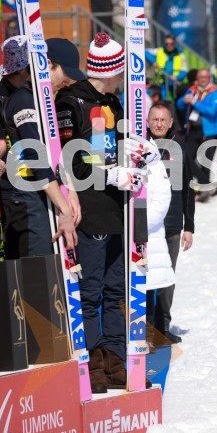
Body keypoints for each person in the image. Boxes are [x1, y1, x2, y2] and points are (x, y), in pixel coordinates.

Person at [56, 32, 145, 393]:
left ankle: (115, 360)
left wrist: (140, 155)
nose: (123, 78)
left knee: (115, 289)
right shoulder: (72, 100)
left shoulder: (114, 102)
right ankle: (91, 362)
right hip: (88, 207)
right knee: (90, 289)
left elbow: (120, 145)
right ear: (108, 70)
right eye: (120, 71)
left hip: (117, 207)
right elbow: (67, 159)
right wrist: (110, 173)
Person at [0, 36, 79, 258]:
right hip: (28, 196)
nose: (69, 81)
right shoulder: (25, 99)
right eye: (67, 72)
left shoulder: (47, 100)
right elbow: (37, 159)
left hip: (47, 193)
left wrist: (71, 193)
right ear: (48, 63)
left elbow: (57, 154)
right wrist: (64, 208)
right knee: (39, 277)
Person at [145, 101, 195, 345]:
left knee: (167, 280)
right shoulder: (138, 149)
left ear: (171, 123)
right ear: (147, 121)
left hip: (172, 227)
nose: (159, 124)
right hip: (144, 227)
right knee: (144, 279)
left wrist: (189, 227)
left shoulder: (180, 150)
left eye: (163, 120)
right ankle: (144, 328)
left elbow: (188, 190)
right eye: (155, 119)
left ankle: (163, 327)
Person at [180, 67, 217, 193]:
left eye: (205, 77)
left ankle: (204, 190)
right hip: (193, 130)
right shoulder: (192, 90)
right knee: (185, 156)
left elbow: (212, 111)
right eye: (200, 77)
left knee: (205, 162)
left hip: (209, 131)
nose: (203, 80)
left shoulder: (215, 92)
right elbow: (179, 105)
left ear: (209, 78)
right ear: (197, 79)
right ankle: (206, 185)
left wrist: (194, 102)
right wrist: (184, 100)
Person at [147, 35, 186, 100]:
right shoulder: (159, 51)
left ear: (175, 44)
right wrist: (153, 62)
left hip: (174, 84)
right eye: (166, 44)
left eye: (171, 44)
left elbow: (184, 71)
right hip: (161, 82)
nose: (169, 45)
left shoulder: (180, 55)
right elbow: (146, 52)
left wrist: (177, 77)